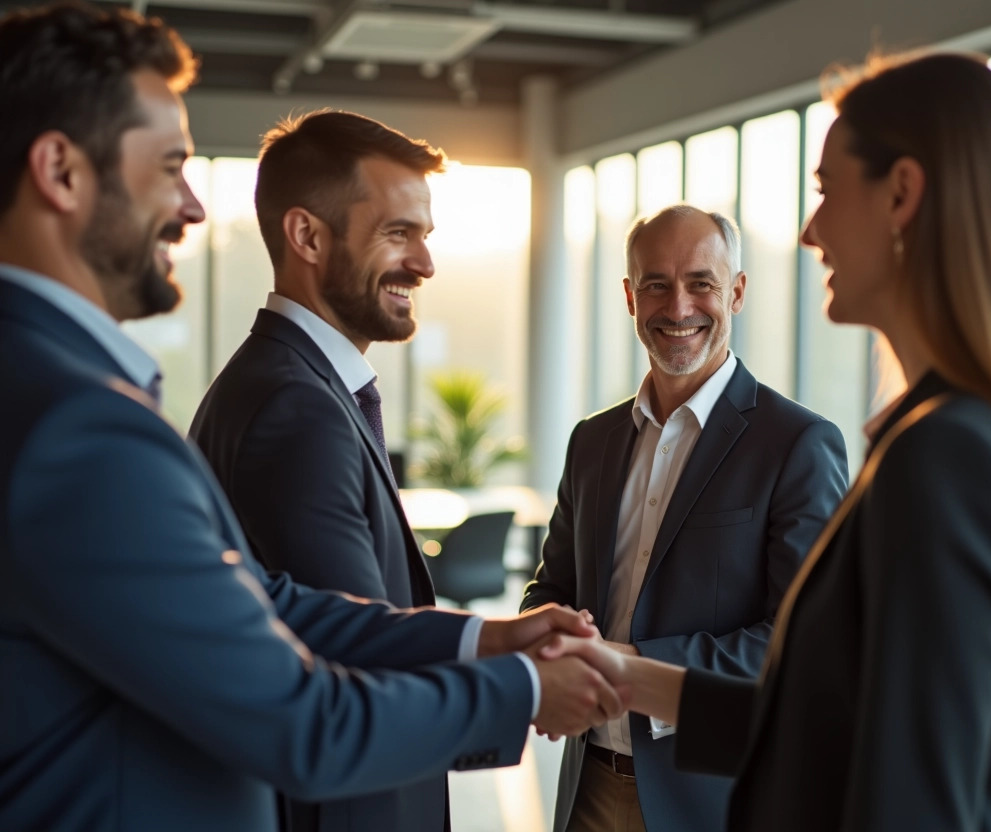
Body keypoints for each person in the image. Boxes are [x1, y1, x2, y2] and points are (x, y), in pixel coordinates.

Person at [0, 5, 623, 831]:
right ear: (62, 172)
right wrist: (524, 688)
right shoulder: (79, 431)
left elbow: (263, 602)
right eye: (170, 167)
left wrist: (484, 643)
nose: (192, 207)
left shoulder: (44, 389)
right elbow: (303, 719)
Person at [539, 52, 991, 831]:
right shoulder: (981, 437)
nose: (810, 230)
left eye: (826, 190)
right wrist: (627, 677)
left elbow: (907, 798)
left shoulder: (949, 459)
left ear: (901, 195)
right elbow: (841, 728)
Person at [521, 204, 849, 832]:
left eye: (701, 282)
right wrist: (545, 641)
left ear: (738, 291)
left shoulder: (797, 444)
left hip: (711, 801)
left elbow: (801, 637)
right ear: (628, 296)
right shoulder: (591, 441)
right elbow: (551, 589)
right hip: (585, 786)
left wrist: (630, 667)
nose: (678, 308)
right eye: (655, 284)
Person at [190, 110, 454, 832]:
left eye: (425, 236)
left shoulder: (283, 382)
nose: (425, 264)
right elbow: (360, 665)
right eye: (398, 233)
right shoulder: (295, 409)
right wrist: (522, 680)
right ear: (306, 236)